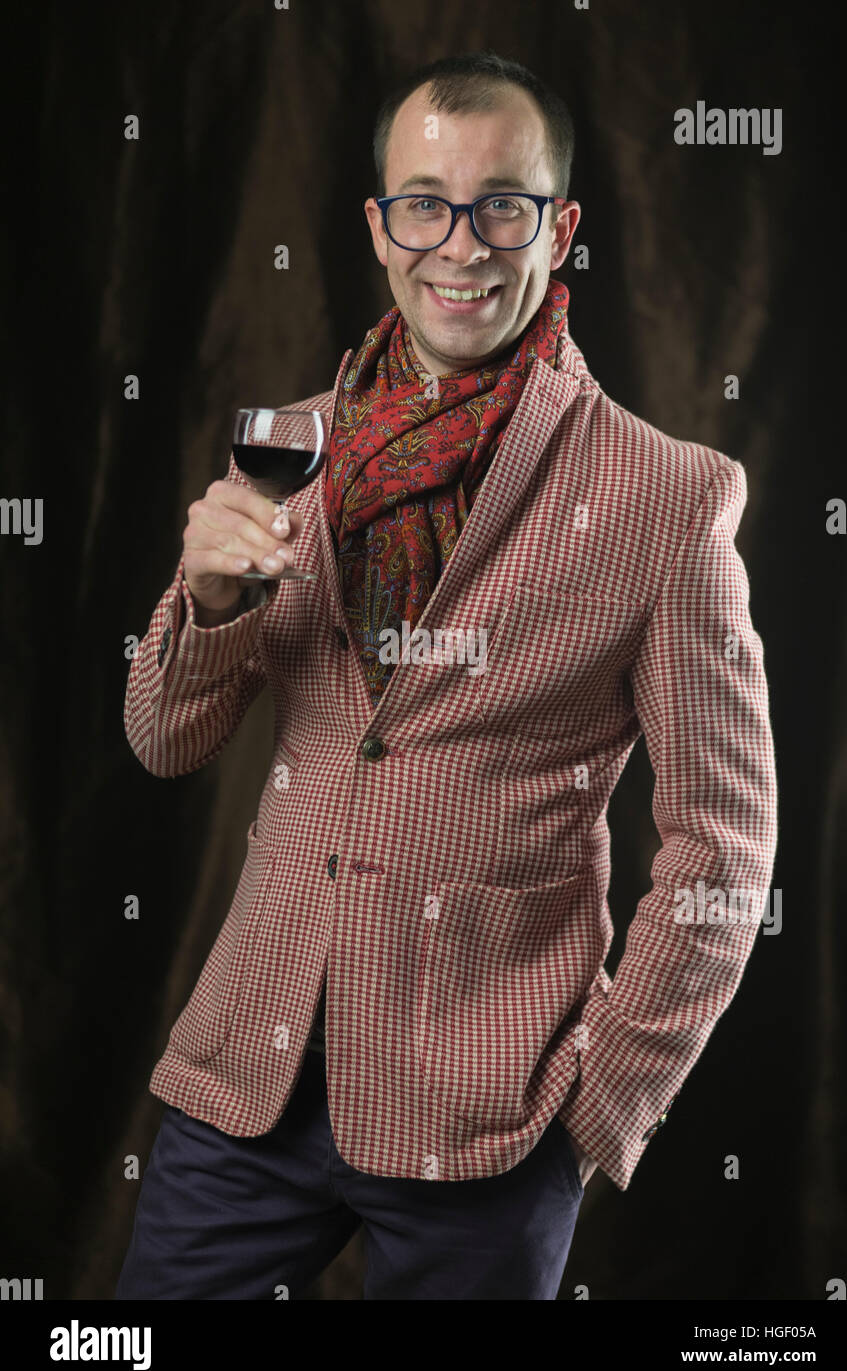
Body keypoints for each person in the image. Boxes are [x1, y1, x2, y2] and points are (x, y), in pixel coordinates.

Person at [116, 50, 777, 1301]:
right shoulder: (289, 446)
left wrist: (601, 1103)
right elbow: (161, 740)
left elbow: (723, 846)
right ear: (378, 227)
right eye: (423, 203)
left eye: (501, 207)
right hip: (245, 1080)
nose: (459, 246)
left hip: (488, 1118)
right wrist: (202, 608)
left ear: (559, 227)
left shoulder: (665, 496)